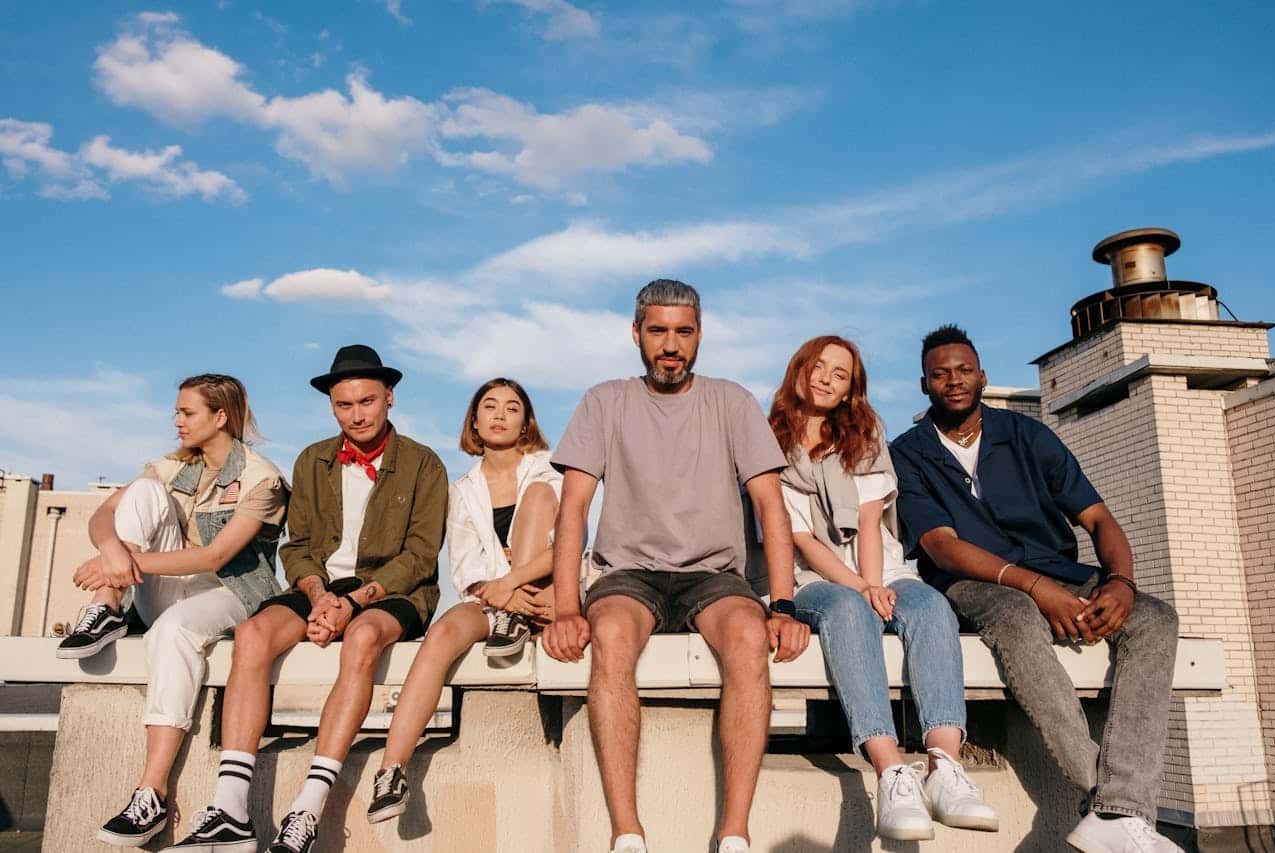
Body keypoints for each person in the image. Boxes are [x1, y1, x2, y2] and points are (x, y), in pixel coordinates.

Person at [542, 279, 810, 853]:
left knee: (746, 634)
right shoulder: (604, 400)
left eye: (683, 332)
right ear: (636, 334)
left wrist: (783, 605)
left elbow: (771, 506)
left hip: (714, 576)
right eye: (658, 331)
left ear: (699, 336)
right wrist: (566, 608)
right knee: (610, 634)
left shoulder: (731, 400)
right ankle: (627, 834)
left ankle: (734, 834)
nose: (671, 344)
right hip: (628, 574)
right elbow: (574, 510)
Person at [889, 325, 1180, 853]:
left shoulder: (1028, 435)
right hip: (969, 584)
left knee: (1156, 619)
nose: (954, 381)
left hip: (1057, 570)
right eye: (940, 374)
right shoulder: (907, 453)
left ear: (982, 376)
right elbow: (941, 545)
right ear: (924, 384)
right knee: (1016, 613)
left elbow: (1098, 519)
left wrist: (1121, 582)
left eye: (963, 370)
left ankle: (1118, 808)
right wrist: (1037, 588)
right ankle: (1106, 802)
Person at [163, 345, 447, 853]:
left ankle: (308, 810)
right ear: (332, 406)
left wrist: (354, 603)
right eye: (344, 405)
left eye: (367, 402)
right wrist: (318, 595)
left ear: (389, 398)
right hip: (321, 588)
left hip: (395, 592)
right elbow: (297, 547)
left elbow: (421, 556)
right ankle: (230, 810)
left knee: (360, 639)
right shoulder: (312, 460)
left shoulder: (425, 464)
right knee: (251, 634)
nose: (357, 415)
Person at [757, 335, 997, 841]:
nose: (825, 378)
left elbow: (870, 521)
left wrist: (872, 582)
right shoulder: (768, 441)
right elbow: (798, 537)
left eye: (839, 374)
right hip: (810, 576)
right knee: (847, 609)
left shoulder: (865, 434)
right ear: (798, 371)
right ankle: (889, 772)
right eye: (818, 367)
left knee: (931, 607)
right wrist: (859, 589)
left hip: (878, 566)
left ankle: (944, 768)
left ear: (850, 391)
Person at [56, 374, 287, 848]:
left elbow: (214, 558)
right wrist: (112, 555)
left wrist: (125, 561)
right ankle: (107, 610)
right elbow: (105, 514)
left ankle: (152, 793)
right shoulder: (172, 466)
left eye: (187, 413)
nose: (176, 421)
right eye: (177, 411)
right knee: (141, 493)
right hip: (156, 582)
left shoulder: (262, 477)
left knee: (173, 631)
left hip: (230, 589)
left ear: (221, 417)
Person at [364, 377, 560, 824]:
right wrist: (500, 594)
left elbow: (567, 543)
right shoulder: (463, 488)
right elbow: (465, 567)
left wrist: (512, 581)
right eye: (489, 406)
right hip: (494, 601)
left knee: (538, 498)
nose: (499, 415)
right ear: (473, 420)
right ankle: (392, 770)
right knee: (442, 634)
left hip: (543, 592)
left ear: (526, 421)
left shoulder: (549, 470)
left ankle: (512, 622)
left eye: (512, 408)